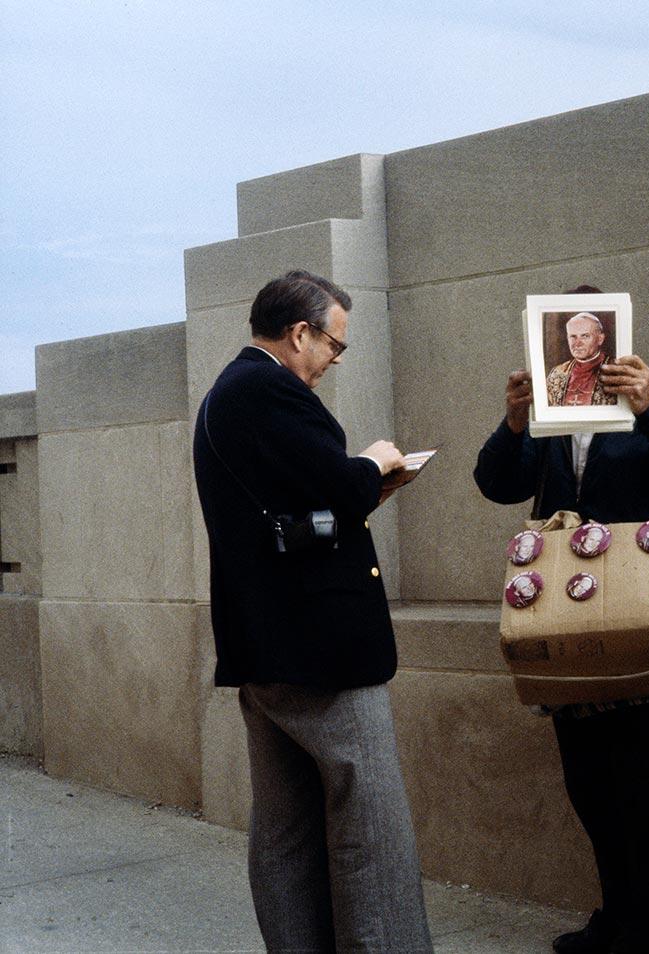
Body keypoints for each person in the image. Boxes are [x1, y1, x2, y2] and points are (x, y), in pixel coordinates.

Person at [474, 285, 649, 954]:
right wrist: (516, 421)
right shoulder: (549, 414)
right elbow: (496, 483)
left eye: (587, 335)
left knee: (640, 781)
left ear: (609, 338)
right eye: (566, 337)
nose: (576, 345)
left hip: (632, 607)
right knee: (587, 779)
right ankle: (615, 916)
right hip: (564, 611)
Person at [192, 270, 432, 952]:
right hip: (322, 651)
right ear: (300, 332)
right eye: (334, 344)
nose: (333, 360)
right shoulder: (271, 390)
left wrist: (356, 486)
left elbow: (294, 505)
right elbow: (336, 482)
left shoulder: (225, 394)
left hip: (264, 648)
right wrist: (377, 462)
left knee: (286, 834)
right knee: (370, 828)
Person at [545, 311, 614, 406]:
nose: (577, 344)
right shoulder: (557, 373)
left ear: (600, 339)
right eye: (573, 337)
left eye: (585, 336)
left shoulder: (615, 370)